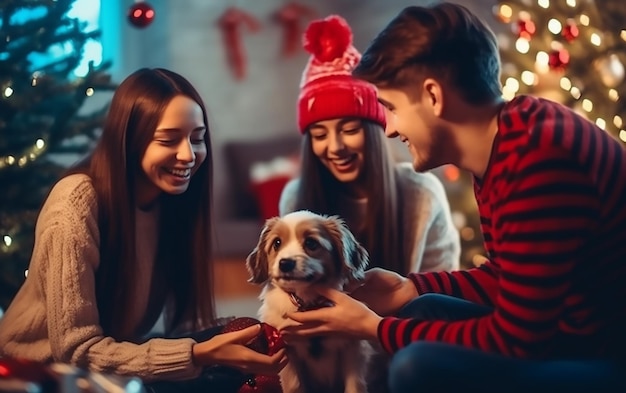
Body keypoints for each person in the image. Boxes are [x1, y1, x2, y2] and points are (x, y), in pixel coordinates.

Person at [280, 3, 626, 392]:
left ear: (433, 95)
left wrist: (374, 328)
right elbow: (508, 277)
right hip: (570, 336)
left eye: (391, 107)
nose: (390, 129)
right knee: (419, 308)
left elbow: (516, 338)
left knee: (417, 365)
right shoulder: (511, 139)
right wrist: (410, 287)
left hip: (606, 356)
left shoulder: (539, 156)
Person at [0, 68, 286, 392]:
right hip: (41, 376)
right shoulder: (76, 203)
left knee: (244, 345)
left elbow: (182, 326)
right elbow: (75, 351)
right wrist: (197, 354)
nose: (188, 155)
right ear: (131, 140)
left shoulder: (171, 200)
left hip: (111, 363)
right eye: (168, 139)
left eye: (197, 138)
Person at [279, 14, 460, 274]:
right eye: (319, 135)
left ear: (375, 131)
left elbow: (443, 295)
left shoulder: (422, 194)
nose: (335, 146)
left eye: (350, 129)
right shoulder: (295, 198)